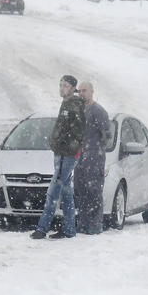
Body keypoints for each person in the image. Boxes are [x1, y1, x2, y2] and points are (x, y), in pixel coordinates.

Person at [30, 75, 85, 240]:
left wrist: (68, 148)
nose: (62, 88)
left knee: (53, 192)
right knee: (66, 192)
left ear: (73, 88)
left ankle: (42, 228)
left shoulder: (75, 105)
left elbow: (78, 133)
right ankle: (69, 229)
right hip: (61, 153)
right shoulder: (66, 103)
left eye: (65, 85)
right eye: (60, 85)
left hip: (67, 155)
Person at [74, 81, 110, 235]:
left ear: (92, 92)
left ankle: (95, 225)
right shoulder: (78, 110)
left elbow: (106, 137)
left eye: (85, 90)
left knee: (94, 192)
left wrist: (96, 152)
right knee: (80, 192)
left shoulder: (99, 111)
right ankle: (82, 224)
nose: (82, 93)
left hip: (94, 159)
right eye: (80, 91)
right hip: (79, 159)